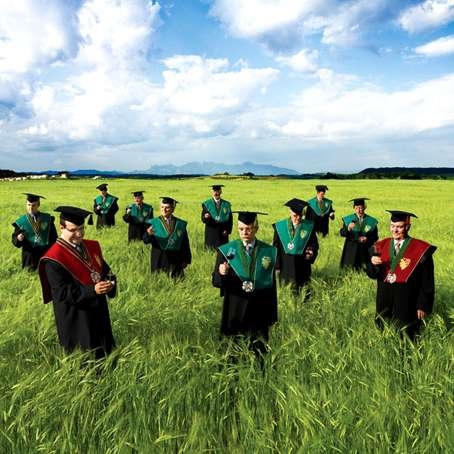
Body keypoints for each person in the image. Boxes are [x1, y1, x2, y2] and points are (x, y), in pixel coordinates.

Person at [38, 206, 116, 358]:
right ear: (61, 228)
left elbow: (106, 270)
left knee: (105, 353)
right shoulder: (53, 259)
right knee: (84, 358)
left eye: (82, 228)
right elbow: (62, 293)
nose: (79, 234)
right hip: (76, 316)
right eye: (73, 230)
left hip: (98, 310)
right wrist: (93, 290)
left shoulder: (91, 247)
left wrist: (110, 283)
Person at [212, 211, 278, 358]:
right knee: (233, 350)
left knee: (259, 351)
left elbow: (272, 286)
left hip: (259, 308)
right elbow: (216, 281)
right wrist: (221, 273)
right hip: (235, 307)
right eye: (241, 229)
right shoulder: (227, 250)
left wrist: (273, 314)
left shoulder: (268, 251)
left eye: (248, 229)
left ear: (256, 228)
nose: (244, 232)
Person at [367, 210, 436, 340]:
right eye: (392, 226)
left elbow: (427, 281)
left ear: (407, 227)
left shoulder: (420, 250)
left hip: (407, 298)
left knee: (407, 334)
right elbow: (372, 274)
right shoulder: (380, 246)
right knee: (382, 329)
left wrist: (422, 304)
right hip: (384, 297)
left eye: (399, 227)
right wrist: (372, 263)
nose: (395, 230)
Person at [272, 198, 318, 296]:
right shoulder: (280, 227)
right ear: (290, 212)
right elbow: (276, 247)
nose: (298, 218)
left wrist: (312, 252)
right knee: (286, 290)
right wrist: (277, 265)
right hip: (286, 263)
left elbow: (314, 244)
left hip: (303, 263)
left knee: (304, 289)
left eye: (300, 215)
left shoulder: (309, 226)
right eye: (295, 216)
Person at [143, 196, 192, 278]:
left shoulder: (180, 224)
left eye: (167, 207)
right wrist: (148, 234)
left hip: (176, 258)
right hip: (159, 257)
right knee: (159, 281)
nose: (164, 210)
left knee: (177, 281)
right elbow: (145, 241)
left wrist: (186, 259)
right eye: (162, 207)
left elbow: (185, 242)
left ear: (173, 209)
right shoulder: (153, 223)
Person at [12, 193, 57, 270]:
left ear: (38, 205)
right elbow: (15, 240)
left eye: (33, 205)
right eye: (28, 205)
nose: (31, 208)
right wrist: (19, 238)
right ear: (26, 205)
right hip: (30, 258)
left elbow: (54, 237)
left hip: (45, 256)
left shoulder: (47, 219)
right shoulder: (22, 222)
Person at [340, 197, 378, 271]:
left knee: (365, 270)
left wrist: (367, 238)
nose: (358, 210)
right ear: (354, 208)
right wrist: (348, 228)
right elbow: (342, 233)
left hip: (365, 249)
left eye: (360, 208)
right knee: (349, 270)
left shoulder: (371, 221)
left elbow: (375, 237)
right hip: (351, 249)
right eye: (356, 208)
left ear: (365, 207)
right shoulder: (348, 219)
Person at [201, 184, 233, 249]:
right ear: (212, 192)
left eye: (218, 191)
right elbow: (202, 218)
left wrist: (227, 230)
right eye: (214, 191)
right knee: (210, 251)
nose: (216, 193)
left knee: (223, 251)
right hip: (211, 232)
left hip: (223, 232)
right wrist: (205, 217)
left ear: (221, 192)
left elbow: (230, 219)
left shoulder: (226, 204)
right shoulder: (207, 204)